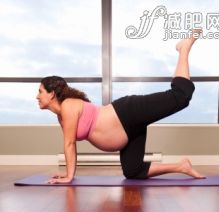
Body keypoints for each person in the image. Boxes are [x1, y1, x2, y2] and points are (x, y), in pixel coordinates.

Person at [36, 29, 205, 184]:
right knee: (133, 171)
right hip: (127, 131)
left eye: (40, 91)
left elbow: (70, 144)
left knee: (181, 96)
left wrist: (68, 177)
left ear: (51, 94)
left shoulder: (68, 106)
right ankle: (181, 166)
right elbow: (71, 143)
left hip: (128, 113)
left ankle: (184, 49)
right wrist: (68, 175)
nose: (37, 96)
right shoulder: (62, 115)